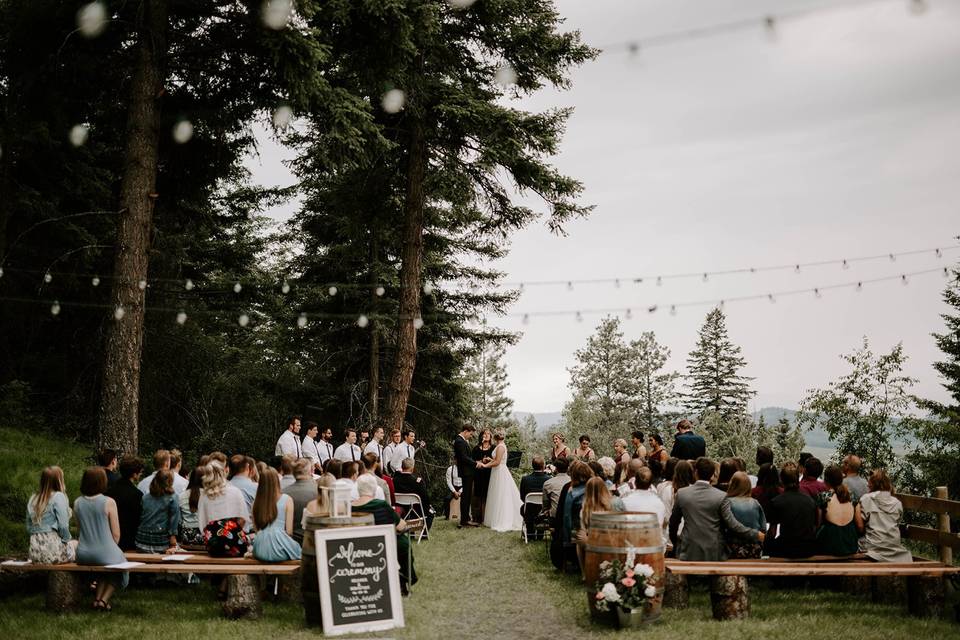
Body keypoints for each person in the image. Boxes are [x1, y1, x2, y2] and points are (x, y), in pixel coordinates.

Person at [669, 457, 764, 561]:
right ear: (712, 474)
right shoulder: (721, 496)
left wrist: (677, 543)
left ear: (695, 472)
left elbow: (673, 523)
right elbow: (732, 524)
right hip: (714, 551)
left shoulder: (682, 493)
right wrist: (754, 534)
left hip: (688, 549)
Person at [352, 475, 417, 595]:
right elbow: (400, 526)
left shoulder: (350, 507)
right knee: (403, 544)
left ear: (358, 489)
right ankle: (405, 578)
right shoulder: (381, 505)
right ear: (374, 489)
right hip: (383, 545)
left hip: (357, 547)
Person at [75, 466, 127, 611]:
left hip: (83, 553)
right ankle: (104, 600)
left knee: (104, 570)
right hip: (105, 551)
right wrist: (112, 548)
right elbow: (116, 534)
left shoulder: (77, 503)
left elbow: (80, 531)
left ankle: (98, 600)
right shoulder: (109, 502)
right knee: (119, 567)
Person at [197, 462, 249, 558]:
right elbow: (243, 519)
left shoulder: (204, 496)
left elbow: (202, 524)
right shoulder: (236, 491)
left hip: (214, 546)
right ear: (224, 472)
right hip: (236, 544)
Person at [26, 466, 77, 564]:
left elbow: (28, 527)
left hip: (35, 554)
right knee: (76, 544)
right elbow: (63, 526)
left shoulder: (33, 498)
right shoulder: (58, 497)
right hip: (54, 554)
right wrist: (66, 540)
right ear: (59, 481)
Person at [859, 469, 912, 563]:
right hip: (893, 547)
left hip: (872, 547)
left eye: (869, 482)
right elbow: (897, 523)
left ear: (874, 484)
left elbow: (860, 525)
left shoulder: (866, 499)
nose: (867, 485)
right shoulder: (897, 503)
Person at [764, 465, 817, 558]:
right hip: (808, 548)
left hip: (787, 548)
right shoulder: (810, 500)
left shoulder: (777, 501)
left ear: (781, 480)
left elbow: (773, 532)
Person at [251, 468, 301, 562]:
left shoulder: (255, 502)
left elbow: (256, 530)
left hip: (260, 548)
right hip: (280, 546)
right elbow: (289, 531)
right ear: (277, 481)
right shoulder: (287, 500)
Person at [551, 460, 593, 570]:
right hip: (595, 528)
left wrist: (566, 540)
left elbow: (566, 517)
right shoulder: (595, 488)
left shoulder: (572, 492)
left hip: (578, 529)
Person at [575, 476, 624, 568]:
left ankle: (584, 573)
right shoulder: (614, 503)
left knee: (579, 541)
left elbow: (583, 530)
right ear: (604, 488)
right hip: (613, 541)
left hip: (594, 542)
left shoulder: (585, 510)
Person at [481, 428, 524, 532]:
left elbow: (497, 463)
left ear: (495, 437)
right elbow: (496, 461)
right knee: (497, 494)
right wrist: (490, 460)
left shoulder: (500, 447)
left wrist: (485, 465)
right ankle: (494, 518)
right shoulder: (500, 446)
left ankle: (502, 520)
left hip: (500, 472)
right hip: (497, 471)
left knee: (501, 495)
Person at [816, 464, 861, 556]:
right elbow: (859, 525)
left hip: (829, 545)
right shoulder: (852, 497)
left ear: (826, 481)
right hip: (850, 544)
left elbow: (818, 523)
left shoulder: (823, 496)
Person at [135, 470, 180, 553]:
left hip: (141, 541)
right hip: (161, 542)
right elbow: (174, 519)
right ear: (170, 482)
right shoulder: (173, 497)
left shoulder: (145, 497)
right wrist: (173, 536)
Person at [105, 455, 144, 551]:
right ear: (135, 474)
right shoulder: (137, 494)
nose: (140, 475)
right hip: (129, 541)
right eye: (140, 472)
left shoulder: (109, 491)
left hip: (109, 538)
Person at [724, 472, 766, 558]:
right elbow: (763, 527)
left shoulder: (727, 502)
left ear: (733, 485)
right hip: (754, 547)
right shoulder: (755, 503)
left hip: (733, 548)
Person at [621, 467, 666, 543]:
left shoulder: (625, 501)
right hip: (653, 544)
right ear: (650, 485)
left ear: (635, 482)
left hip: (632, 545)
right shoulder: (659, 503)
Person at [282, 458, 319, 544]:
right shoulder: (319, 491)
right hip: (314, 541)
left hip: (289, 541)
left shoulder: (284, 492)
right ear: (310, 471)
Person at [393, 458, 434, 530]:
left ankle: (410, 530)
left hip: (400, 511)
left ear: (402, 467)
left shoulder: (394, 480)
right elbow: (425, 499)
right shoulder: (417, 481)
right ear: (412, 468)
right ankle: (424, 534)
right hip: (415, 512)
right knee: (431, 512)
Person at [453, 424, 482, 528]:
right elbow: (464, 457)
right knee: (466, 496)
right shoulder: (459, 441)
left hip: (467, 472)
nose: (470, 436)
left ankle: (466, 519)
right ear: (466, 431)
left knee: (467, 495)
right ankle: (464, 520)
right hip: (466, 472)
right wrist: (476, 463)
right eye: (470, 433)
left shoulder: (462, 441)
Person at [519, 455, 551, 539]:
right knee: (544, 508)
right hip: (543, 510)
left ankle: (530, 533)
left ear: (532, 466)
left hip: (529, 509)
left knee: (524, 508)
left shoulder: (525, 479)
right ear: (543, 466)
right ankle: (540, 533)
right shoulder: (549, 479)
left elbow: (522, 497)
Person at [177, 467, 205, 549]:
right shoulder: (208, 495)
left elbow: (179, 520)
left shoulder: (182, 496)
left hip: (186, 537)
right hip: (204, 535)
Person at [471, 428, 495, 523]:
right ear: (481, 436)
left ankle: (487, 517)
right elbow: (472, 461)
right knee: (478, 496)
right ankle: (477, 517)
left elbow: (497, 460)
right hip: (478, 474)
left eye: (488, 434)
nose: (487, 435)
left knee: (487, 495)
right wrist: (481, 461)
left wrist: (489, 460)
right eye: (485, 433)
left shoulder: (493, 448)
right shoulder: (476, 448)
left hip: (489, 474)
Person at [228, 455, 258, 524]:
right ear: (247, 467)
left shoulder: (224, 487)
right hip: (250, 530)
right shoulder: (256, 487)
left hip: (228, 530)